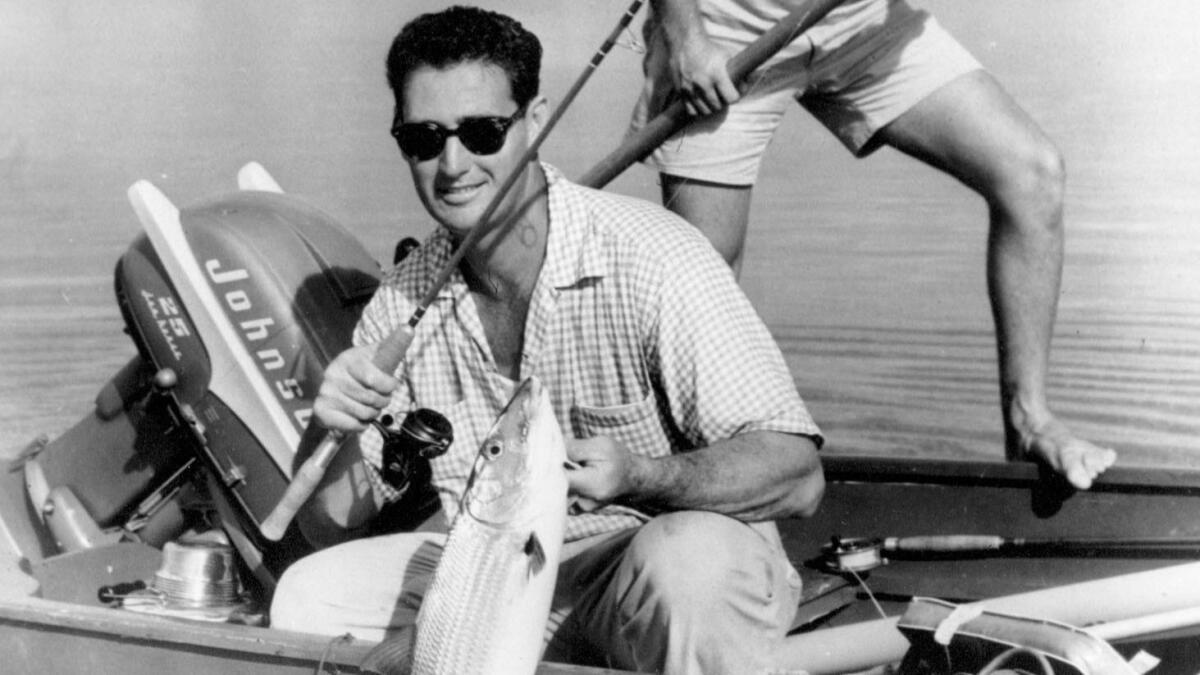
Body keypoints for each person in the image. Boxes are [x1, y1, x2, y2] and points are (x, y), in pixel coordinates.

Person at [270, 7, 825, 674]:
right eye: (423, 138)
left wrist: (648, 475)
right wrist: (327, 428)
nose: (452, 164)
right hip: (502, 581)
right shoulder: (399, 301)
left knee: (690, 567)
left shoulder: (652, 255)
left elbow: (797, 474)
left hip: (642, 573)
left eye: (482, 132)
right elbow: (330, 519)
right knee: (309, 596)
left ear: (535, 122)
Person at [628, 0, 1117, 490]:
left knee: (1032, 174)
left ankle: (1029, 422)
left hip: (859, 23)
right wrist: (686, 40)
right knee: (703, 270)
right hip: (729, 32)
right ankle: (691, 481)